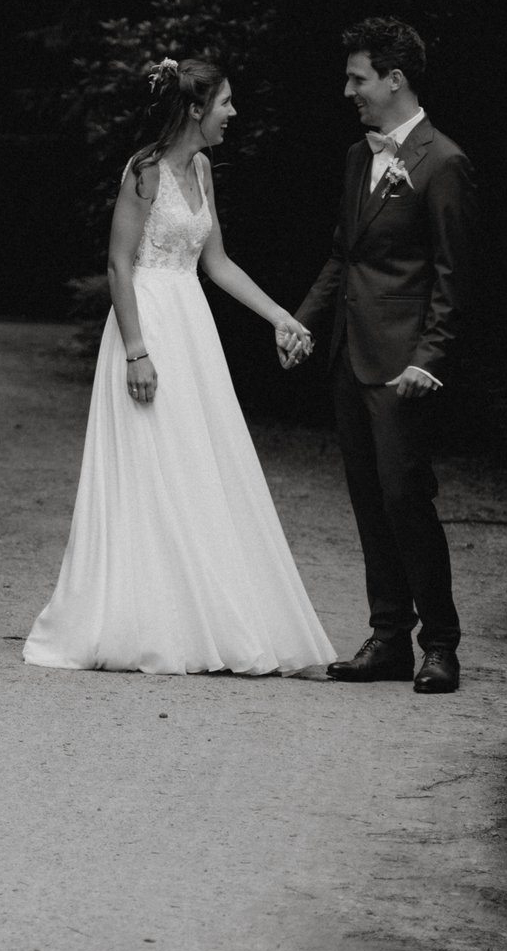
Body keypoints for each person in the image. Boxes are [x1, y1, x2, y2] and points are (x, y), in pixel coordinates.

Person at [23, 57, 336, 675]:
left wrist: (281, 317)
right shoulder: (143, 172)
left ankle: (204, 617)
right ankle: (145, 621)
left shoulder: (201, 168)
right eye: (226, 103)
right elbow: (118, 265)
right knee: (150, 466)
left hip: (192, 327)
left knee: (199, 463)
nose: (233, 113)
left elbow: (216, 262)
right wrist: (137, 351)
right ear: (195, 109)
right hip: (148, 323)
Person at [284, 18, 472, 694]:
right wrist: (300, 320)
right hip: (348, 357)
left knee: (405, 497)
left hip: (404, 368)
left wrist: (431, 355)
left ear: (394, 79)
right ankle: (388, 637)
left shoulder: (443, 162)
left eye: (357, 78)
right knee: (368, 498)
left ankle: (441, 644)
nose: (348, 90)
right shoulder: (358, 157)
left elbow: (454, 275)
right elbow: (345, 253)